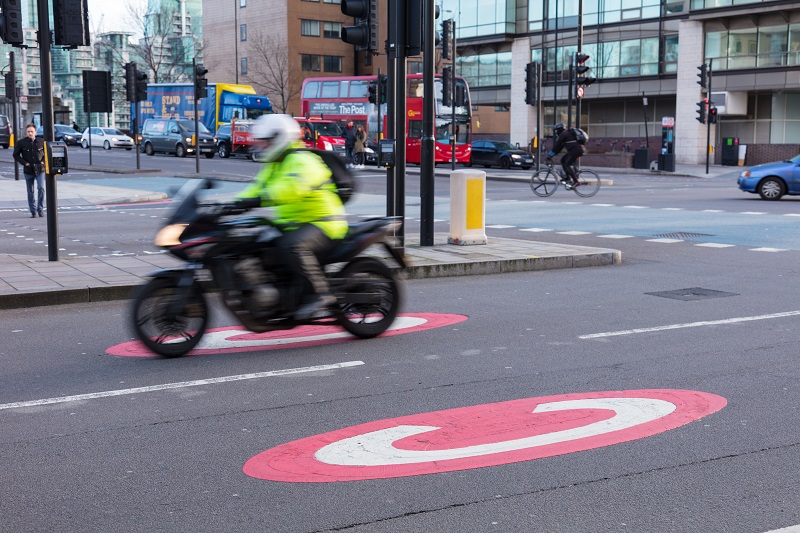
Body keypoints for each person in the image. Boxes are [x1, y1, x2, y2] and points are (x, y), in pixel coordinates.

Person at [236, 114, 348, 320]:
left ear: (279, 138)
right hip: (293, 224)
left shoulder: (302, 160)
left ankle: (319, 294)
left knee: (291, 246)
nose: (260, 147)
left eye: (265, 142)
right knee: (259, 244)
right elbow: (257, 188)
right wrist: (232, 204)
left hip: (322, 222)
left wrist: (261, 199)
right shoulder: (274, 164)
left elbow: (293, 188)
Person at [13, 123, 45, 218]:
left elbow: (47, 154)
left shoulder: (41, 141)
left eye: (32, 131)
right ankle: (33, 211)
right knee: (30, 191)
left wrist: (43, 162)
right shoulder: (21, 143)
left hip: (40, 169)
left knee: (41, 188)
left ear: (35, 132)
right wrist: (25, 163)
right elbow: (16, 155)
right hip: (28, 170)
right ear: (26, 132)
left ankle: (40, 209)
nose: (30, 133)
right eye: (28, 132)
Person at [547, 123, 585, 189]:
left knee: (567, 164)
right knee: (563, 160)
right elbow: (559, 148)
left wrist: (549, 155)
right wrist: (551, 155)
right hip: (574, 150)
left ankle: (576, 182)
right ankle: (567, 177)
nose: (556, 132)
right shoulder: (565, 134)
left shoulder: (564, 134)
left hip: (576, 150)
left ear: (560, 129)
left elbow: (556, 145)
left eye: (556, 130)